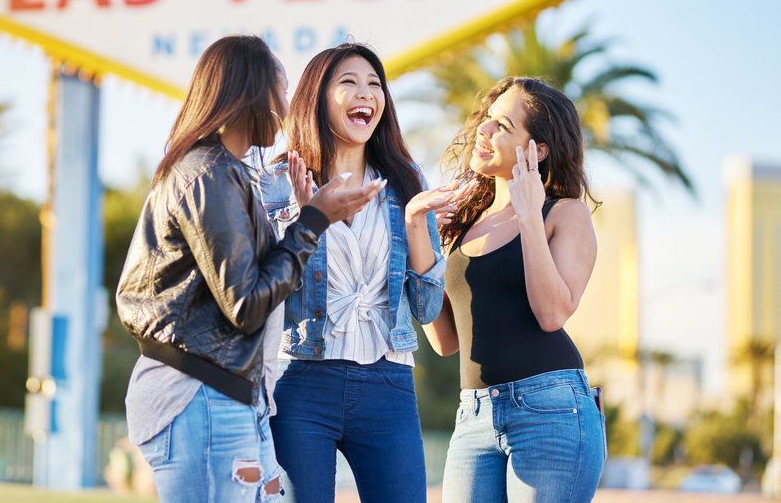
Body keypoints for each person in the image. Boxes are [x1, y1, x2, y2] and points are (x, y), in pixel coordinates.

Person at [116, 35, 382, 503]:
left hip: (230, 394)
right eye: (279, 89)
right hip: (199, 395)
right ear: (252, 94)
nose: (285, 106)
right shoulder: (209, 175)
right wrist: (313, 221)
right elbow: (247, 304)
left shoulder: (221, 171)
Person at [256, 43, 456, 503]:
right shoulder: (276, 183)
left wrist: (413, 224)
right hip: (301, 380)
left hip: (388, 384)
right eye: (348, 82)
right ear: (317, 98)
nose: (366, 93)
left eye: (374, 84)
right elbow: (262, 292)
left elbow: (426, 308)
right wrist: (306, 221)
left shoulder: (407, 182)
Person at [423, 76, 605, 503]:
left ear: (537, 150)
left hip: (552, 410)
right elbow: (445, 341)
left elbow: (552, 313)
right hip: (474, 415)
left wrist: (528, 214)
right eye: (487, 120)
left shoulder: (565, 214)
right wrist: (421, 245)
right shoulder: (462, 225)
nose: (483, 131)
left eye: (502, 125)